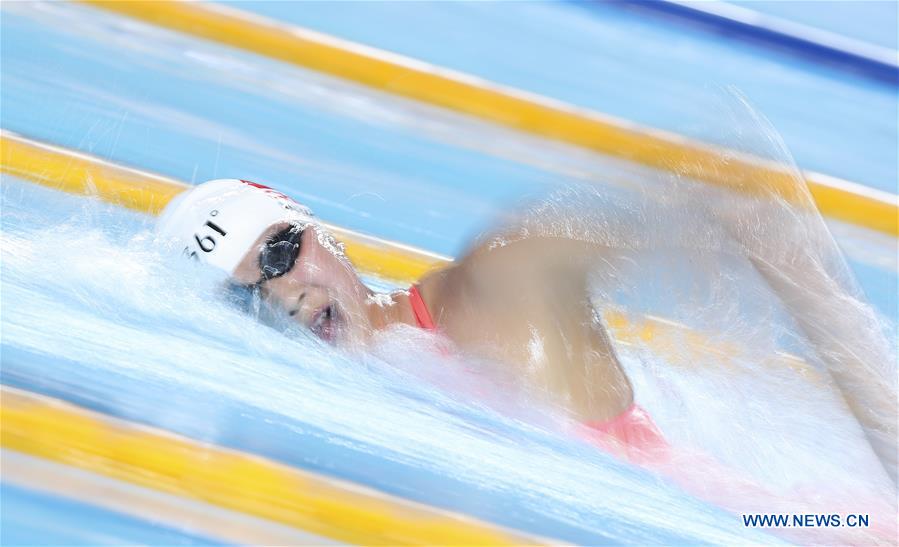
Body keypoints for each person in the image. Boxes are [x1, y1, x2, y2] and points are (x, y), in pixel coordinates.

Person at [156, 178, 895, 483]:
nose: (283, 293)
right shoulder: (360, 396)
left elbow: (739, 210)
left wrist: (882, 410)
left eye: (281, 252)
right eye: (246, 296)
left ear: (320, 230)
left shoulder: (491, 284)